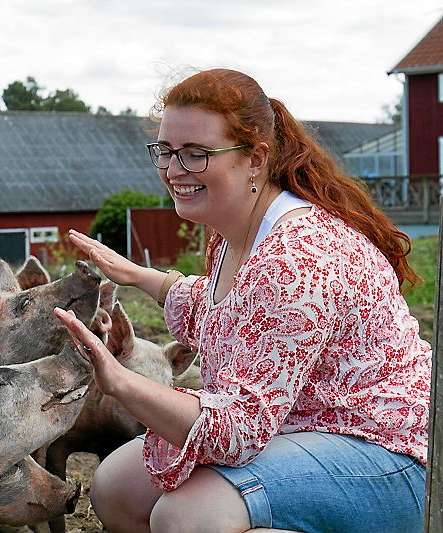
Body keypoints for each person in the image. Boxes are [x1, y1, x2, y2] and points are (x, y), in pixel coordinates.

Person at [53, 68, 430, 533]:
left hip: (380, 458)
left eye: (196, 154)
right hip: (294, 425)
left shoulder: (296, 259)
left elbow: (237, 431)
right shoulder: (234, 231)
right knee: (115, 488)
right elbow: (233, 317)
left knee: (189, 516)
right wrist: (137, 276)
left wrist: (121, 382)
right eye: (166, 151)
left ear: (255, 158)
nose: (173, 170)